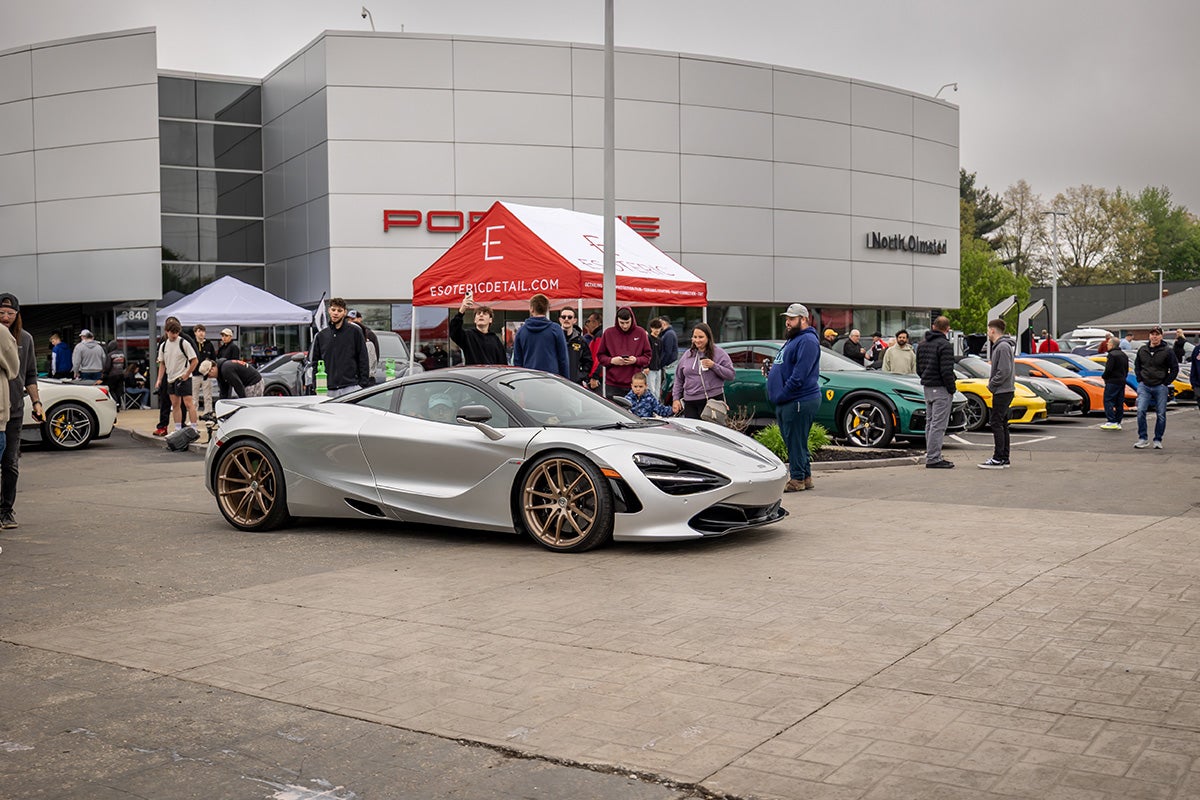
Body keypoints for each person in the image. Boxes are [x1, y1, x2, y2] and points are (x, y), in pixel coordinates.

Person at [766, 303, 821, 492]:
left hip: (798, 399)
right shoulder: (794, 339)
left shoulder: (807, 341)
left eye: (791, 318)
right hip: (790, 399)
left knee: (795, 439)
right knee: (797, 440)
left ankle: (797, 479)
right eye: (787, 319)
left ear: (803, 319)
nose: (788, 322)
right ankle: (806, 476)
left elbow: (799, 375)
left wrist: (782, 394)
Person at [0, 293, 42, 530]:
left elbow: (31, 374)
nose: (6, 317)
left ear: (17, 315)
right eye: (1, 313)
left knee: (10, 465)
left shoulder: (25, 339)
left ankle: (6, 510)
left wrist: (37, 403)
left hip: (14, 412)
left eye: (10, 313)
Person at [917, 316, 957, 469]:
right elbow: (947, 371)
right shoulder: (944, 345)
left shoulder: (922, 344)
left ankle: (931, 453)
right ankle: (934, 458)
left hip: (927, 387)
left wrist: (926, 378)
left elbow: (919, 369)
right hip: (940, 388)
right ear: (947, 329)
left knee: (930, 423)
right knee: (938, 425)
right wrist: (951, 389)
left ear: (933, 326)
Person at [670, 322, 734, 419]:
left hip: (712, 400)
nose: (697, 340)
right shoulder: (687, 354)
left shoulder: (719, 353)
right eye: (695, 337)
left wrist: (714, 366)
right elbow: (679, 378)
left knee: (711, 433)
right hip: (690, 401)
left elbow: (731, 375)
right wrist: (676, 399)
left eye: (701, 337)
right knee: (692, 433)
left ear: (708, 337)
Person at [309, 297, 370, 399]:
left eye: (339, 310)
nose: (336, 313)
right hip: (328, 390)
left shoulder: (355, 332)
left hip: (351, 387)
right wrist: (317, 385)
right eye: (333, 310)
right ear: (329, 311)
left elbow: (363, 358)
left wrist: (362, 385)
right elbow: (316, 363)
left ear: (345, 312)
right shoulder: (321, 336)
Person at [1133, 325, 1178, 449]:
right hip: (1144, 386)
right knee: (1141, 410)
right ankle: (1143, 438)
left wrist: (1166, 382)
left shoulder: (1167, 351)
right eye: (1152, 334)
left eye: (1157, 334)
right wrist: (1139, 379)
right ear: (1149, 336)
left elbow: (1174, 368)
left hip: (1160, 386)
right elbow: (1137, 365)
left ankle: (1158, 439)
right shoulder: (1142, 350)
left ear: (1161, 336)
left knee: (1161, 414)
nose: (1154, 336)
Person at [978, 319, 1015, 469]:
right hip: (1005, 390)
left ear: (992, 330)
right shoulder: (1003, 346)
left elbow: (1004, 371)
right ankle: (1004, 457)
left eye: (988, 330)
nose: (987, 333)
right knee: (1002, 424)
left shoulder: (1002, 347)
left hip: (1002, 390)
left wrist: (992, 385)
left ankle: (998, 457)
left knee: (996, 423)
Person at [596, 307, 652, 399]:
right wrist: (612, 360)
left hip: (635, 384)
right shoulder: (608, 333)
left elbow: (647, 357)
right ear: (617, 320)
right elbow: (600, 356)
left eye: (627, 323)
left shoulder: (641, 333)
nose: (625, 326)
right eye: (622, 323)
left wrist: (636, 360)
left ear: (632, 320)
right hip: (613, 384)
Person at [156, 318, 199, 431]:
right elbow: (162, 364)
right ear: (167, 331)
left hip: (183, 377)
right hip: (171, 378)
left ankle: (194, 427)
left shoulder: (183, 343)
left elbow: (194, 360)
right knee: (175, 404)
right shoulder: (163, 345)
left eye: (176, 332)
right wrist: (159, 379)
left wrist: (187, 374)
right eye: (172, 332)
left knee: (188, 403)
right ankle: (178, 428)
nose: (174, 335)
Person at [512, 293, 569, 378]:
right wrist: (566, 381)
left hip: (528, 379)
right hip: (552, 380)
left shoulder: (521, 331)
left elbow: (517, 361)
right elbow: (563, 359)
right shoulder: (555, 329)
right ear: (546, 309)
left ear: (531, 309)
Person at [448, 298, 506, 365]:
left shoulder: (495, 339)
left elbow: (502, 362)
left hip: (491, 374)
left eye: (485, 314)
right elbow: (454, 330)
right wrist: (462, 310)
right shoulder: (468, 336)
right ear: (475, 320)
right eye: (478, 313)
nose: (481, 315)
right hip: (473, 374)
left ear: (490, 320)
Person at [558, 306, 593, 385]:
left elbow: (588, 362)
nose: (566, 319)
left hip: (574, 384)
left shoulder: (580, 341)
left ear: (574, 320)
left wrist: (580, 376)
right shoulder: (553, 339)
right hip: (557, 382)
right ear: (560, 319)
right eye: (563, 317)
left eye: (569, 317)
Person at [1100, 338, 1129, 430]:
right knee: (1119, 402)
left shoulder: (1112, 355)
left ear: (1112, 345)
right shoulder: (1124, 355)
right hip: (1122, 380)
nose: (1107, 345)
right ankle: (1118, 421)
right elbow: (1126, 368)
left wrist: (1104, 376)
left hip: (1112, 381)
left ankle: (1111, 421)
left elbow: (1109, 369)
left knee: (1108, 400)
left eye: (1108, 344)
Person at [198, 358, 263, 399]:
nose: (210, 377)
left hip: (254, 382)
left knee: (249, 407)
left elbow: (238, 386)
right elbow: (224, 391)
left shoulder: (226, 369)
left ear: (212, 369)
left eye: (208, 375)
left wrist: (243, 400)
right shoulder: (220, 371)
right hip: (249, 383)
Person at [102, 339, 126, 410]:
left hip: (112, 375)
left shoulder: (110, 355)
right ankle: (119, 404)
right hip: (121, 374)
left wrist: (105, 373)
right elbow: (125, 365)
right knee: (118, 390)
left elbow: (107, 366)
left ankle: (115, 403)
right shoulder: (122, 354)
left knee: (111, 390)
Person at [645, 318, 665, 398]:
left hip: (658, 368)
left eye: (658, 328)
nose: (657, 330)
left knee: (657, 390)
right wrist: (646, 366)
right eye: (655, 328)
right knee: (651, 389)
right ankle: (651, 407)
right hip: (650, 368)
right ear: (651, 328)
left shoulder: (660, 340)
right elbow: (646, 353)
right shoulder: (648, 339)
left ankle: (656, 407)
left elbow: (660, 354)